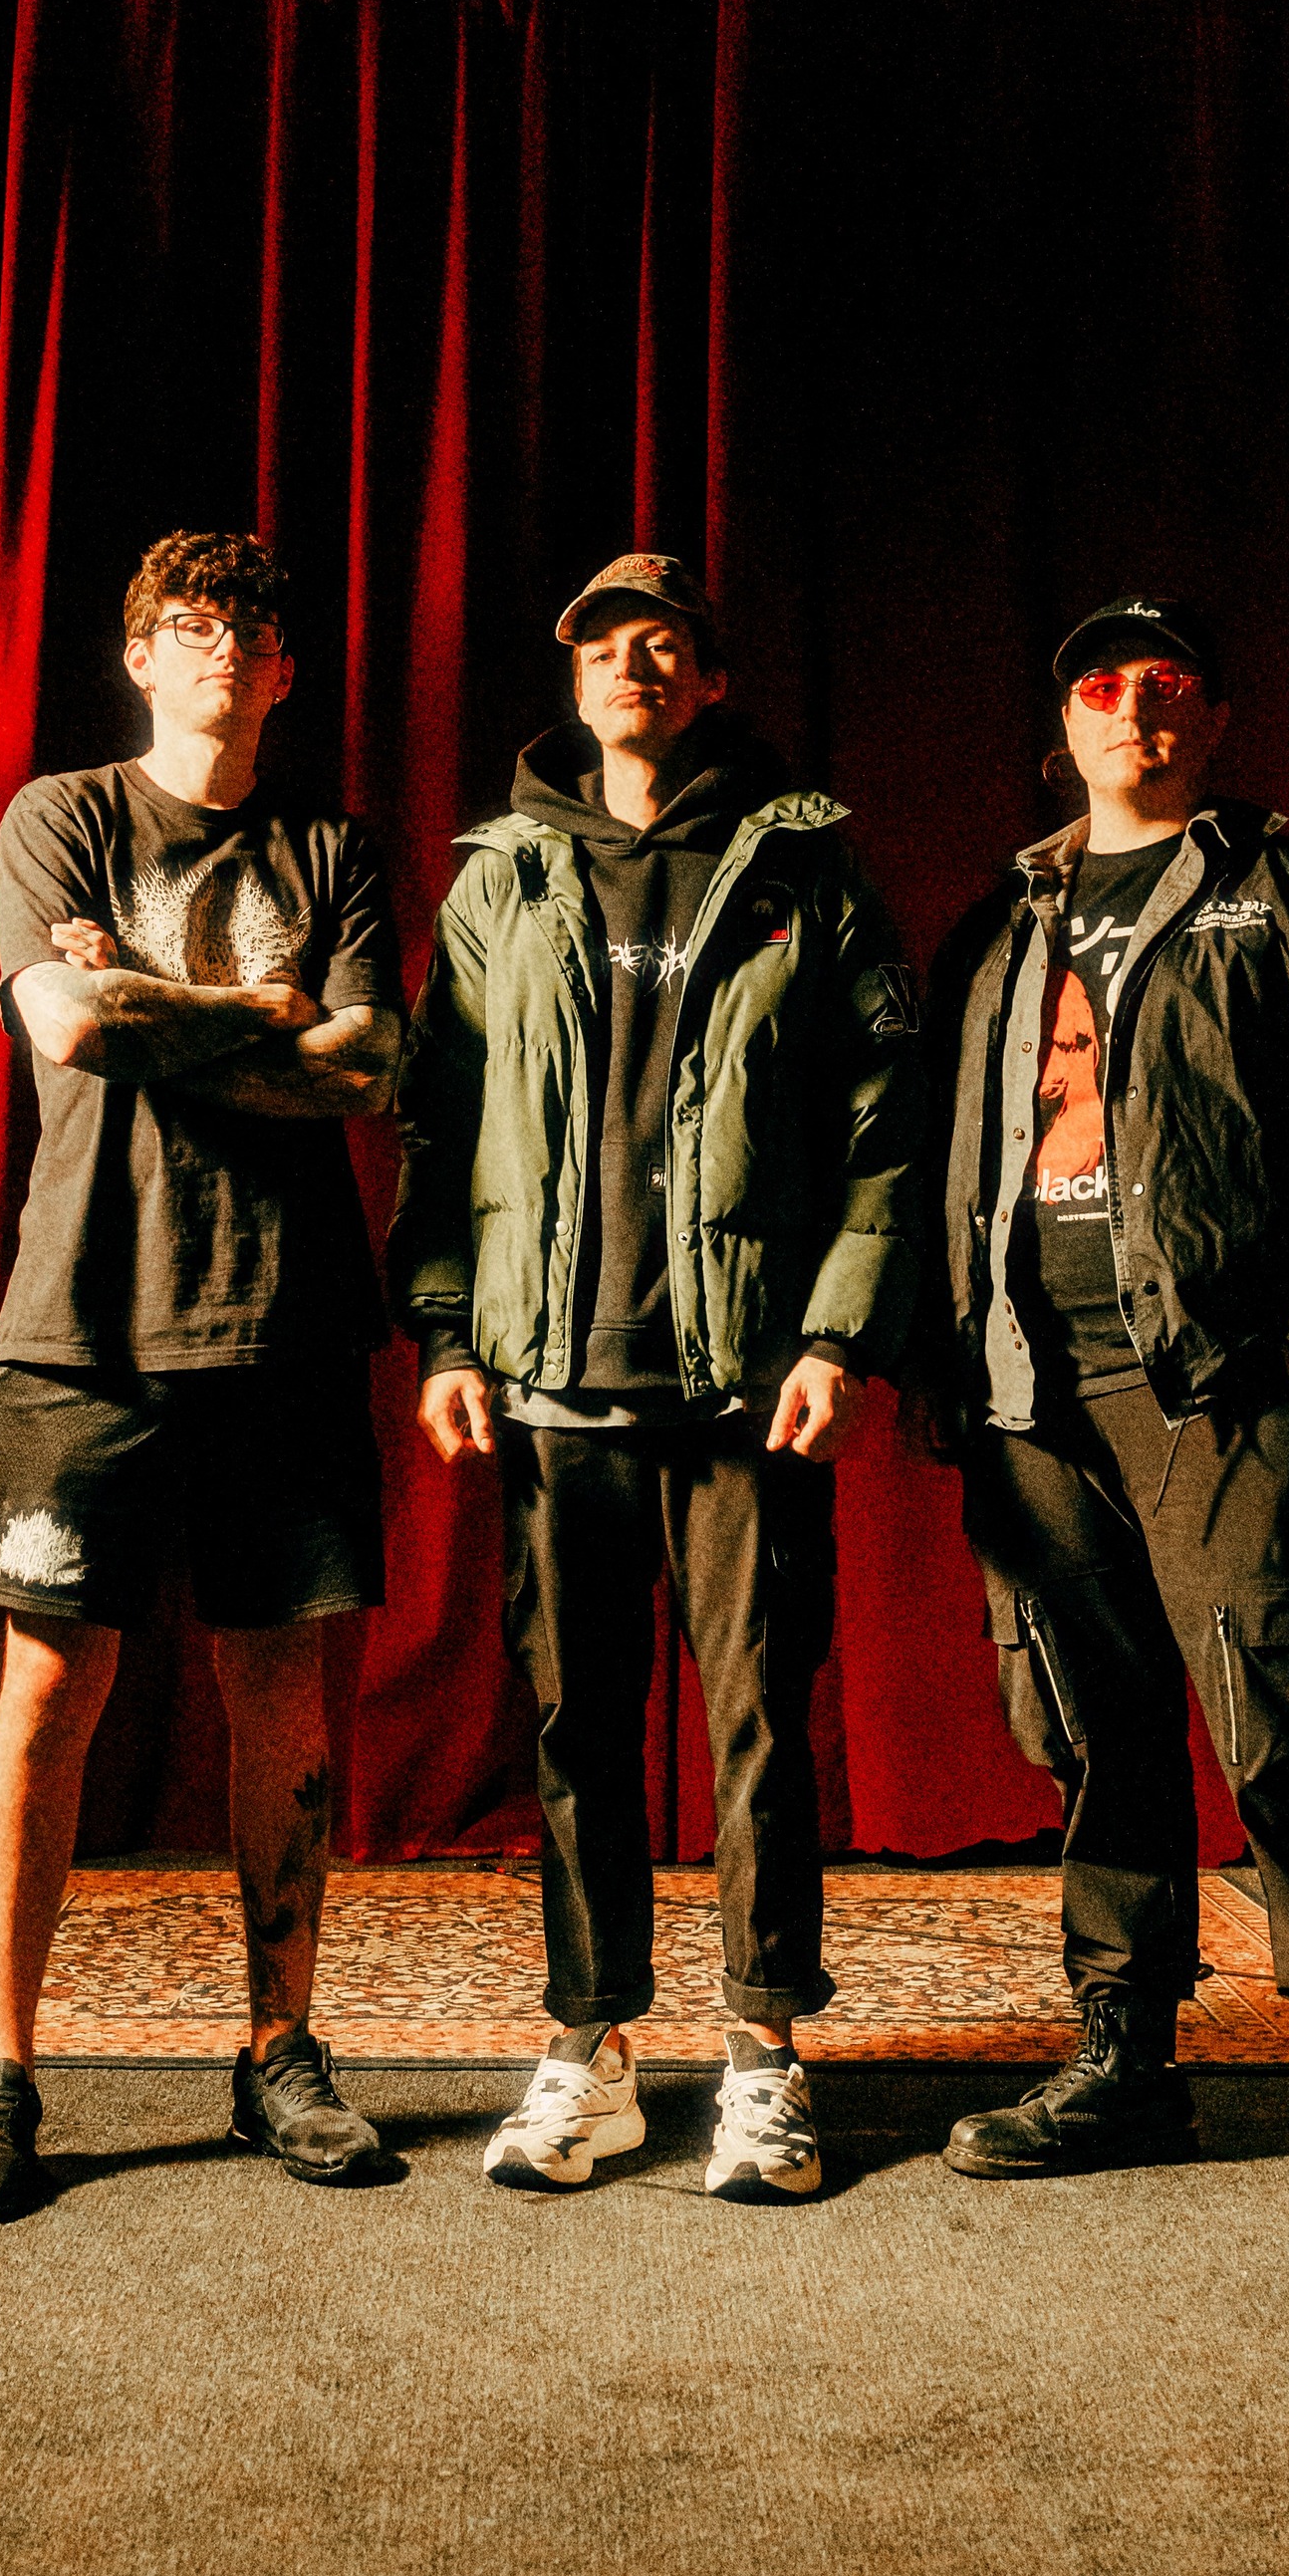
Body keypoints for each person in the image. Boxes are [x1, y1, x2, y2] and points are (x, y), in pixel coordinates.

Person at [902, 595, 1289, 2264]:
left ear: (1212, 719)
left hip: (1213, 1374)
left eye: (1168, 682)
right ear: (1063, 723)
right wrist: (942, 1353)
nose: (1134, 704)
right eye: (1101, 682)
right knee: (1091, 1723)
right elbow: (942, 1141)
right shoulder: (1002, 918)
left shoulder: (1288, 894)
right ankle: (1127, 2058)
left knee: (1284, 1711)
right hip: (1028, 1374)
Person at [387, 553, 922, 2203]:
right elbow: (440, 1120)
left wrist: (835, 1334)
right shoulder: (502, 877)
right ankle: (590, 2051)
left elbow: (884, 1121)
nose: (636, 664)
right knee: (576, 1729)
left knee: (759, 1726)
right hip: (553, 1385)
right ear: (574, 685)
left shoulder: (801, 868)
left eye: (667, 642)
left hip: (745, 1383)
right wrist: (448, 1332)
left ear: (710, 680)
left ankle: (765, 2055)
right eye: (608, 645)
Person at [0, 529, 404, 2222]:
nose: (220, 653)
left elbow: (368, 1067)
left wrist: (150, 1001)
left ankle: (282, 2052)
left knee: (281, 1696)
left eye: (249, 633)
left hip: (284, 1326)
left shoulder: (331, 848)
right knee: (48, 1692)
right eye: (189, 627)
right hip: (84, 1324)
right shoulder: (59, 816)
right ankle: (0, 2075)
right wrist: (264, 1012)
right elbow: (64, 1027)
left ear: (287, 673)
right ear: (139, 657)